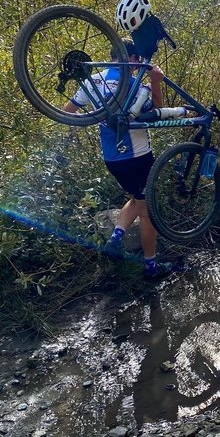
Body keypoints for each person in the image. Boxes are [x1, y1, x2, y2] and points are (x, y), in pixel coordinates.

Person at [63, 39, 173, 279]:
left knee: (136, 197)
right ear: (131, 59)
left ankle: (117, 237)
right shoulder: (133, 85)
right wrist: (155, 83)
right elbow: (156, 114)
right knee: (147, 210)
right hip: (138, 156)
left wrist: (88, 120)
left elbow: (67, 111)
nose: (138, 65)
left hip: (112, 159)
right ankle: (151, 266)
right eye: (138, 61)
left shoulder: (92, 82)